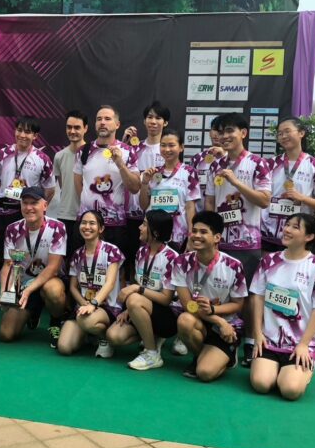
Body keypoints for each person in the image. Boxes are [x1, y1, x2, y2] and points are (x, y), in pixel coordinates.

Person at [204, 112, 271, 366]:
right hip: (221, 243)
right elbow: (210, 202)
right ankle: (224, 341)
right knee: (222, 292)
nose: (225, 136)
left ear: (243, 133)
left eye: (230, 130)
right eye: (221, 132)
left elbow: (264, 200)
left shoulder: (258, 163)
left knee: (250, 294)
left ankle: (251, 343)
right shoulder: (214, 166)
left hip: (247, 243)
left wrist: (235, 182)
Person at [249, 213, 315, 400]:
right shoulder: (268, 261)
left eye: (295, 227)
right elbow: (257, 297)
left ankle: (302, 371)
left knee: (290, 390)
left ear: (309, 237)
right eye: (287, 225)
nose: (287, 230)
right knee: (261, 384)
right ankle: (277, 370)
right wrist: (257, 333)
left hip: (300, 343)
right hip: (270, 341)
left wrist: (304, 344)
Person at [0, 116, 55, 324]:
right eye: (20, 130)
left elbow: (50, 189)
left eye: (28, 132)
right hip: (1, 212)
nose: (23, 135)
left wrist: (37, 208)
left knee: (18, 257)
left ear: (35, 136)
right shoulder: (2, 154)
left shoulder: (42, 159)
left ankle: (18, 297)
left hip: (25, 213)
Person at [172, 211, 248, 380]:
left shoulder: (233, 266)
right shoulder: (181, 262)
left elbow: (238, 304)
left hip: (226, 325)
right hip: (201, 319)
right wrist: (218, 320)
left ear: (217, 238)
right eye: (194, 231)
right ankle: (199, 356)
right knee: (184, 320)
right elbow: (188, 306)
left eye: (203, 232)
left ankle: (228, 354)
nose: (196, 236)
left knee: (205, 373)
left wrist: (215, 311)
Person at [106, 210, 180, 369]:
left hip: (167, 316)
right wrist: (129, 310)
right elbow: (139, 283)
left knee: (133, 299)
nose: (139, 227)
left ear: (155, 232)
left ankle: (152, 354)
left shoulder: (172, 258)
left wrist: (137, 290)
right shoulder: (141, 252)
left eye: (144, 224)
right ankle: (151, 336)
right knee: (114, 336)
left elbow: (166, 299)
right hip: (143, 306)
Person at [0, 187, 67, 347]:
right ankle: (33, 313)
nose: (29, 207)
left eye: (34, 203)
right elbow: (8, 264)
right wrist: (5, 292)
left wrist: (29, 290)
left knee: (53, 291)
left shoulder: (57, 228)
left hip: (49, 281)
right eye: (25, 203)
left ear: (45, 205)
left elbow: (53, 267)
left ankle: (55, 322)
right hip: (23, 284)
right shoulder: (12, 229)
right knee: (6, 334)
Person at [57, 210, 124, 357]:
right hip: (83, 307)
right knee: (64, 347)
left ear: (101, 228)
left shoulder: (111, 251)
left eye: (92, 223)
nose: (87, 227)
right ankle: (89, 334)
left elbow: (110, 283)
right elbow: (73, 287)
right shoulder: (77, 255)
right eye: (84, 223)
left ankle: (103, 337)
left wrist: (93, 304)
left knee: (87, 321)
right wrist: (84, 304)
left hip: (106, 307)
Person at [73, 105, 140, 253]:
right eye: (99, 119)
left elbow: (135, 187)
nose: (102, 122)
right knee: (82, 264)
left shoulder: (127, 151)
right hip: (87, 224)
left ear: (117, 124)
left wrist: (120, 163)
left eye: (107, 119)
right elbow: (78, 184)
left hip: (115, 226)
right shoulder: (83, 151)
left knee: (116, 266)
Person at [261, 117, 315, 251]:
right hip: (268, 233)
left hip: (298, 236)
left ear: (301, 133)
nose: (283, 136)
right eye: (280, 133)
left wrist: (302, 198)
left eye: (287, 131)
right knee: (269, 264)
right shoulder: (270, 164)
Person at [123, 102, 168, 276]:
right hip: (132, 214)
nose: (153, 121)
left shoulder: (168, 149)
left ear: (165, 122)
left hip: (156, 214)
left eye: (158, 118)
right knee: (130, 262)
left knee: (153, 264)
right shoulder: (134, 148)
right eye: (149, 117)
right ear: (144, 121)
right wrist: (123, 143)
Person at [139, 128, 200, 250]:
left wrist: (191, 236)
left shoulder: (189, 173)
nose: (167, 149)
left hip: (178, 236)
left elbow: (190, 207)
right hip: (154, 235)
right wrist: (144, 183)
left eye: (171, 145)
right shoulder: (153, 173)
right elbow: (144, 205)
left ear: (181, 147)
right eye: (163, 145)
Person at [53, 111, 88, 266]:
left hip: (87, 216)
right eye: (69, 127)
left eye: (77, 127)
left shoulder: (92, 153)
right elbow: (63, 185)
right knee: (67, 262)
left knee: (87, 260)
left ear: (85, 128)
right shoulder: (59, 156)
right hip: (65, 215)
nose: (72, 131)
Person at [189, 116, 225, 210]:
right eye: (214, 130)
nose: (216, 134)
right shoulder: (197, 159)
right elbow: (190, 188)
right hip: (201, 213)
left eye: (220, 131)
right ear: (209, 132)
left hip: (225, 210)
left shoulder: (233, 159)